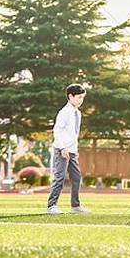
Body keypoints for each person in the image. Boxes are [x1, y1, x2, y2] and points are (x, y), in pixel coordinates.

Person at [47, 84, 90, 215]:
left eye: (82, 97)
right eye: (79, 97)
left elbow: (73, 133)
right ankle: (52, 206)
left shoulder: (78, 113)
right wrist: (63, 147)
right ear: (70, 96)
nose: (81, 100)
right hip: (62, 150)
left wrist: (73, 149)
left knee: (76, 178)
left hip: (72, 151)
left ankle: (75, 206)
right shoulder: (64, 112)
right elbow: (57, 130)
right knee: (59, 178)